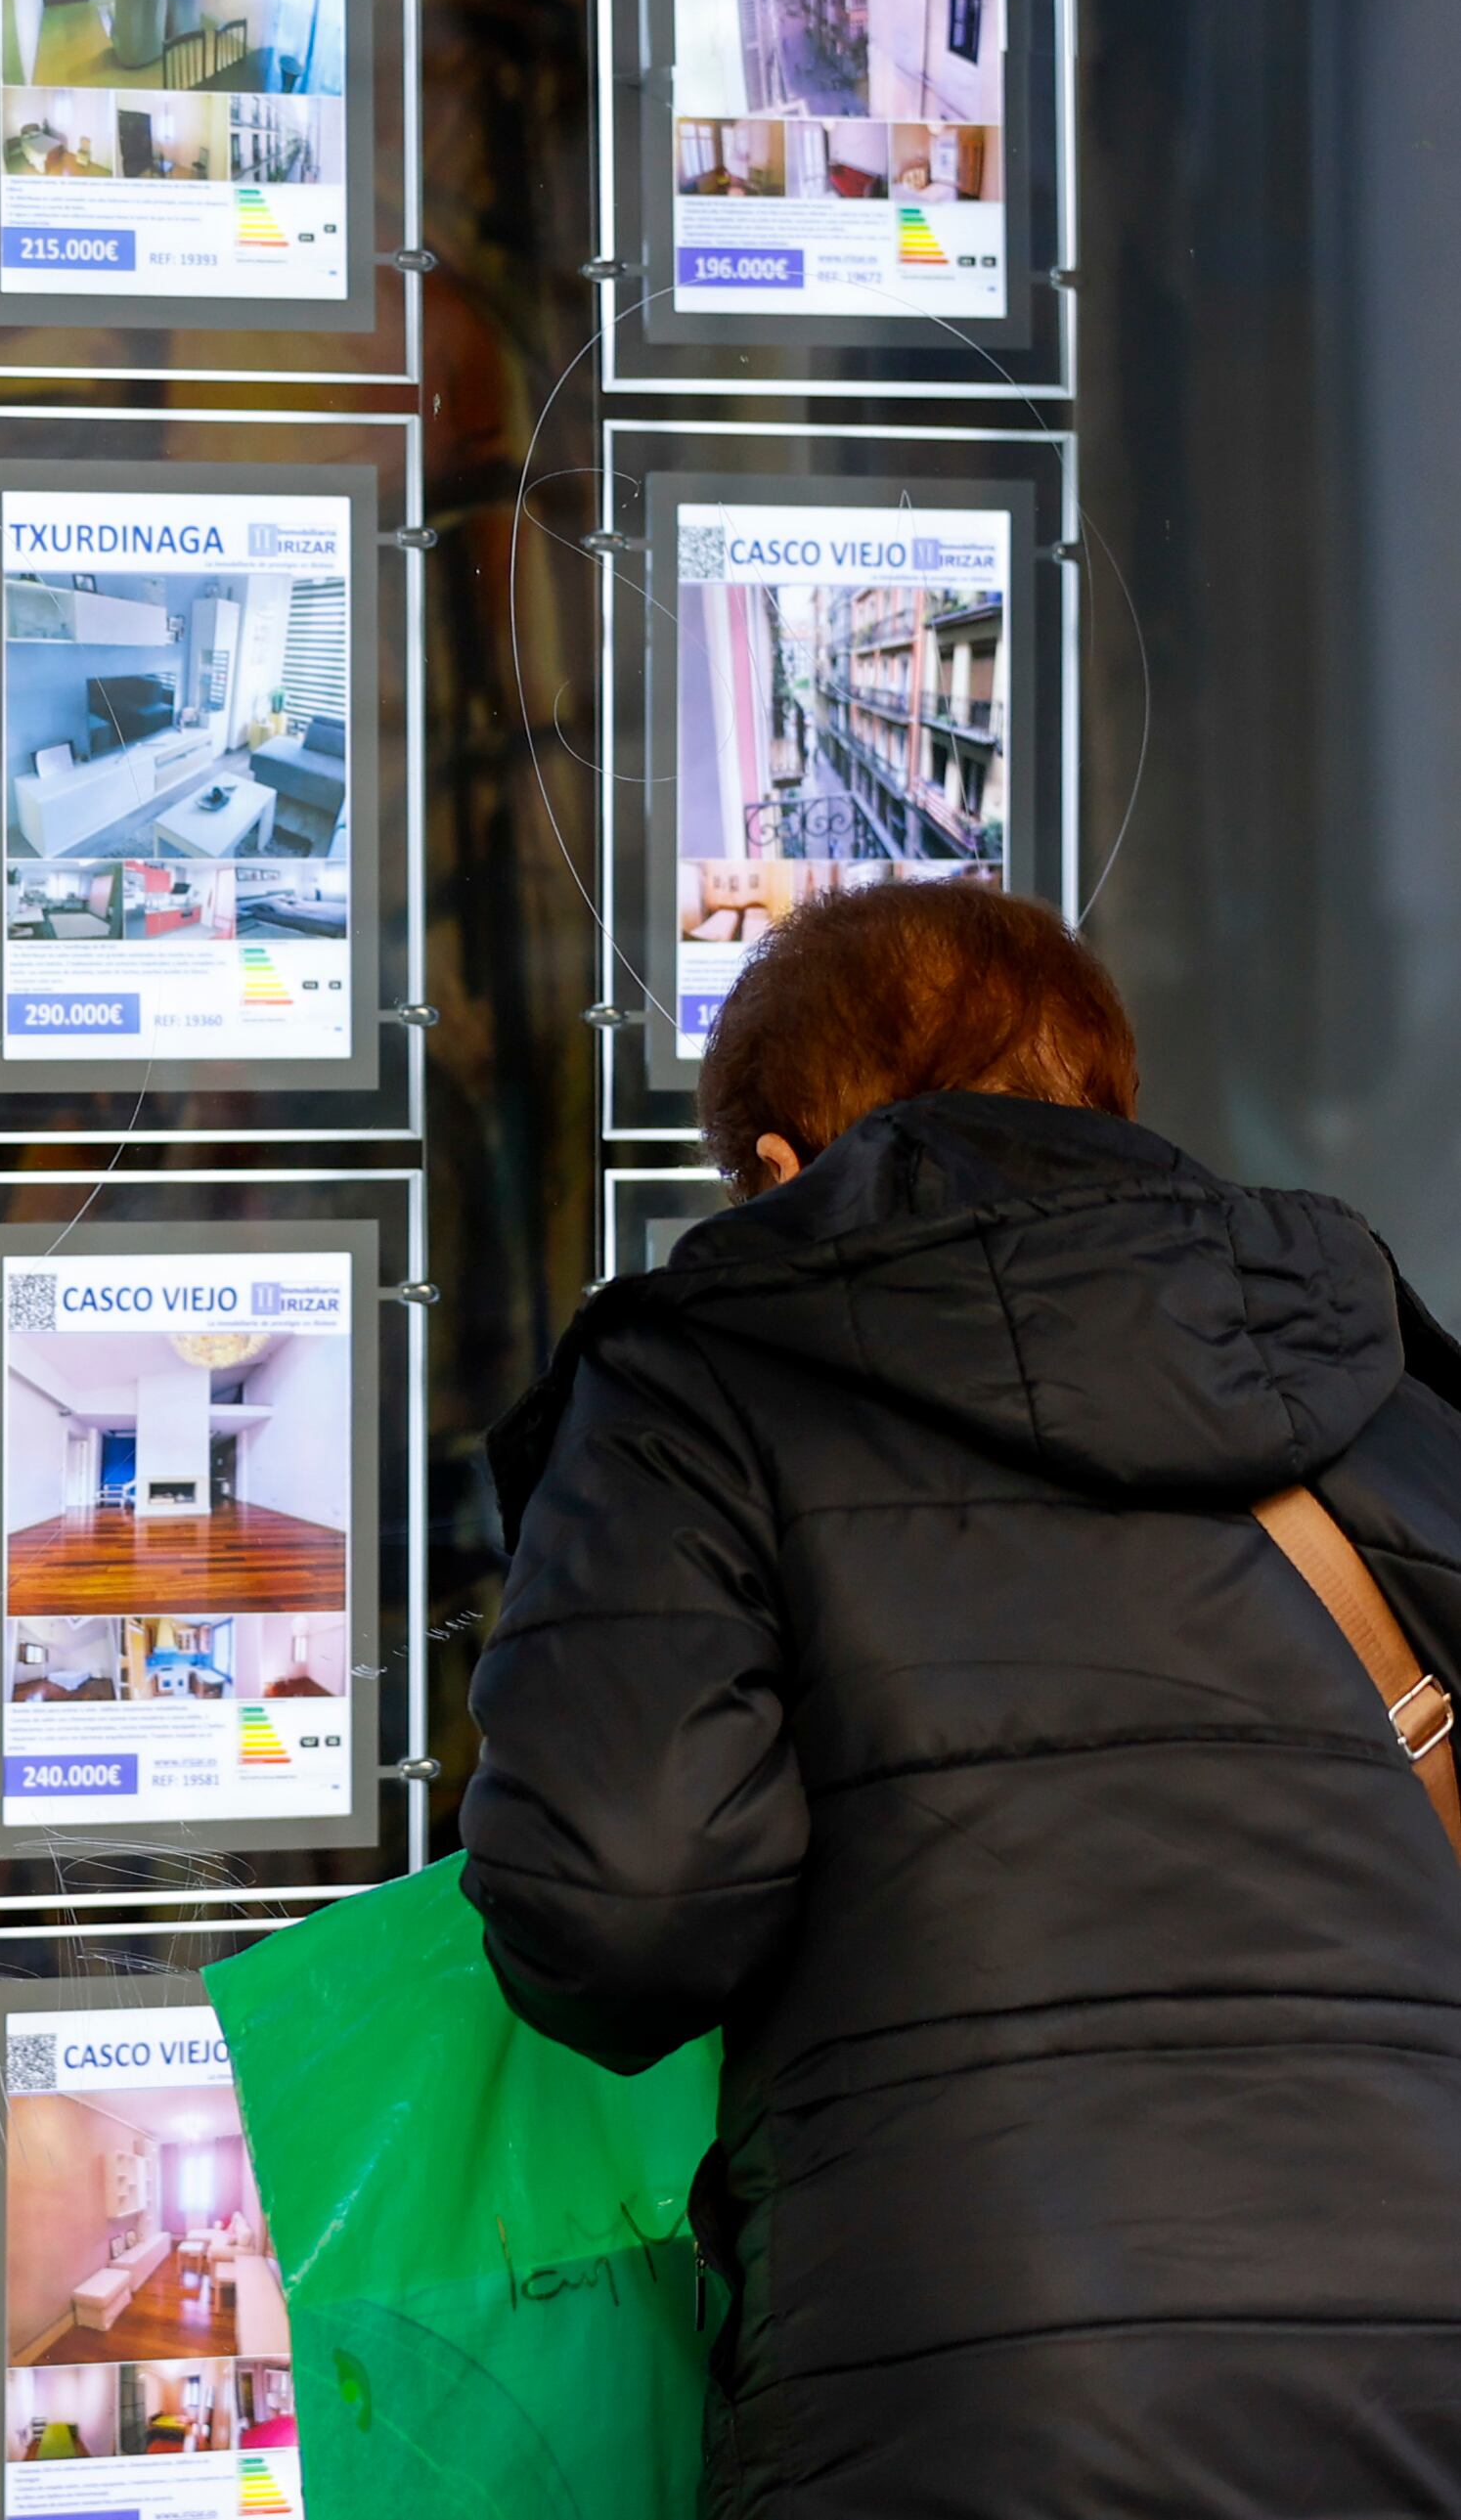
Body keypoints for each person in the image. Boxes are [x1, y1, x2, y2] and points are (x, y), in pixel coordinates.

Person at [462, 882, 1461, 2516]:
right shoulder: (1376, 1386)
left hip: (963, 2393)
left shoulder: (700, 1376)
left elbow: (623, 1909)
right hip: (1415, 2378)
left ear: (774, 1164)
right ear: (1101, 1106)